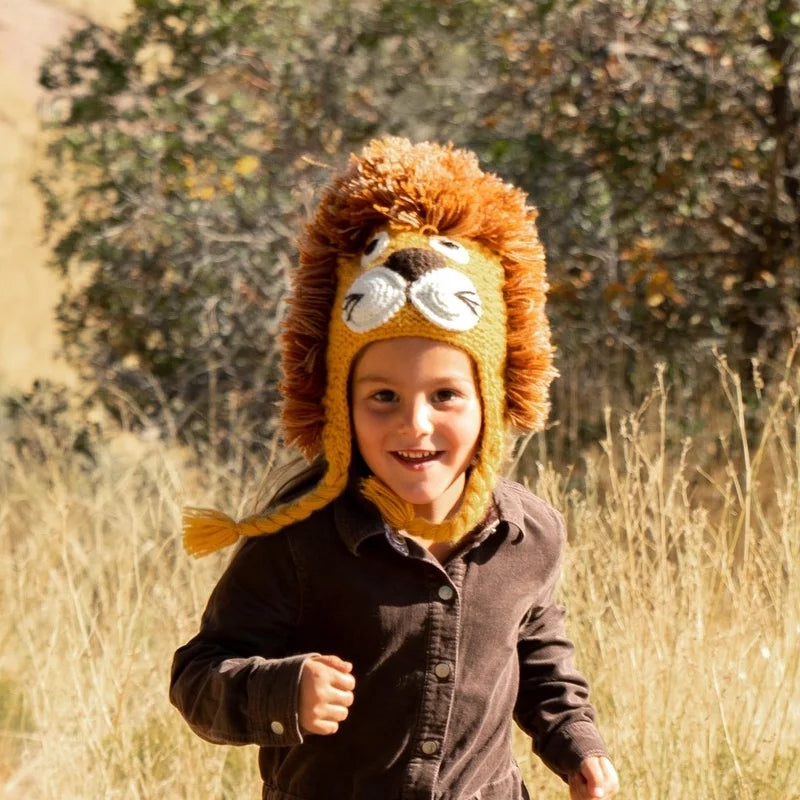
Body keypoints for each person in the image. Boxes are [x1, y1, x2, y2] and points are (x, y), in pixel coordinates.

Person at [170, 137, 619, 800]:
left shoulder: (530, 535)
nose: (414, 425)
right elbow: (200, 675)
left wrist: (574, 740)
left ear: (492, 402)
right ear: (339, 404)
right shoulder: (300, 539)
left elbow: (536, 652)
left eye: (445, 395)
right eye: (382, 397)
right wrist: (281, 692)